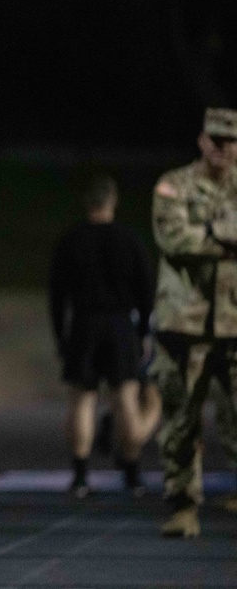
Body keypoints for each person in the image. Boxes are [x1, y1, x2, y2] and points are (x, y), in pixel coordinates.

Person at [149, 107, 237, 538]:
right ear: (202, 140)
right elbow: (174, 238)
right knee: (181, 419)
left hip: (234, 322)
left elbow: (193, 237)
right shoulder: (174, 186)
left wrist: (208, 232)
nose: (224, 149)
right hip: (186, 321)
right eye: (216, 140)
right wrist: (228, 235)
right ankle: (183, 505)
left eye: (231, 141)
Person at [48, 173, 159, 499]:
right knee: (126, 400)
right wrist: (142, 333)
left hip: (84, 324)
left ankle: (81, 475)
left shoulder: (71, 240)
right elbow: (146, 292)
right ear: (113, 201)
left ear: (87, 203)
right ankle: (133, 472)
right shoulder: (129, 239)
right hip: (120, 325)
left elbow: (57, 294)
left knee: (81, 400)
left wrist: (61, 336)